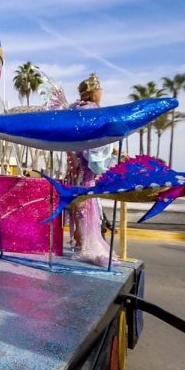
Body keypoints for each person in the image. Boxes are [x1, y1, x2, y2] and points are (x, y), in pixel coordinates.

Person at [66, 74, 119, 266]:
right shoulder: (93, 110)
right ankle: (87, 244)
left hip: (74, 163)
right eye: (100, 90)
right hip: (86, 165)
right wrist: (111, 148)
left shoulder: (73, 110)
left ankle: (80, 241)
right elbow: (96, 140)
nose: (102, 93)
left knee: (78, 202)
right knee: (86, 202)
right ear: (94, 92)